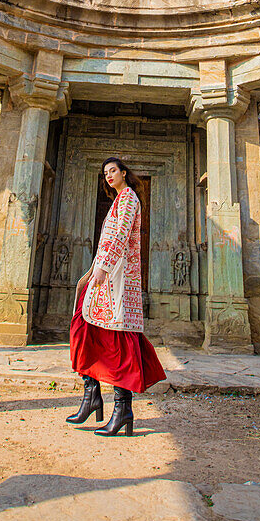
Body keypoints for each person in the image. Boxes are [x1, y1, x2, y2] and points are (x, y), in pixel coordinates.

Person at [68, 156, 166, 436]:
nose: (109, 175)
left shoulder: (128, 198)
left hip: (116, 277)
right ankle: (92, 395)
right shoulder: (118, 200)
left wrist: (104, 267)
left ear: (124, 173)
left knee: (115, 340)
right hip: (106, 274)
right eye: (105, 173)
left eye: (113, 170)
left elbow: (120, 235)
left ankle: (121, 409)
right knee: (85, 329)